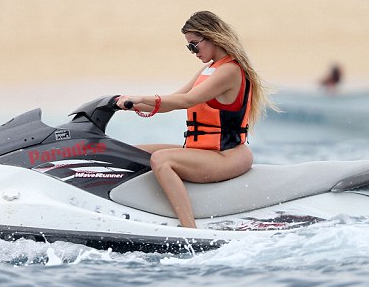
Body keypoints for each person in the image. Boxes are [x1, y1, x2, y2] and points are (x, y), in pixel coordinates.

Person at [116, 11, 275, 229]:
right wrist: (124, 104)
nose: (193, 52)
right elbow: (171, 101)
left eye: (194, 45)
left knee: (161, 160)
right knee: (130, 153)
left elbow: (187, 100)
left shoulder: (230, 70)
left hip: (227, 155)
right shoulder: (209, 70)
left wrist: (142, 98)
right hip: (203, 151)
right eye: (188, 47)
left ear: (212, 37)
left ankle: (189, 230)